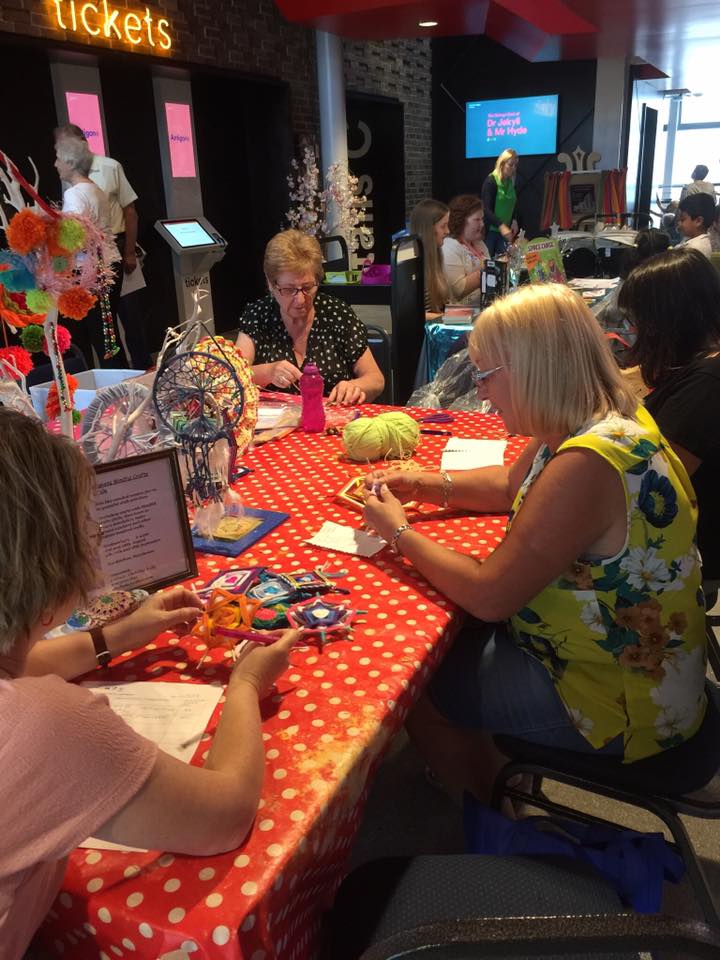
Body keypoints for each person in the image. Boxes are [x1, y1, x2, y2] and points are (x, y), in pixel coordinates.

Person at [363, 283, 707, 803]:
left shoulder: (588, 463)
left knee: (416, 686)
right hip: (622, 663)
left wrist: (398, 531)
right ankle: (506, 767)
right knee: (450, 643)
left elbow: (489, 593)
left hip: (624, 697)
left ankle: (495, 815)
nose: (480, 391)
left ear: (532, 367)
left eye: (485, 375)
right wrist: (424, 482)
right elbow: (508, 485)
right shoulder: (596, 414)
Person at [0, 408, 298, 958]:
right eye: (86, 521)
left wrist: (122, 634)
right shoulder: (45, 721)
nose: (97, 534)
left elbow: (21, 665)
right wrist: (245, 683)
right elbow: (225, 815)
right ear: (48, 553)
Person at [618, 246, 720, 585]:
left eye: (638, 320)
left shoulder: (707, 383)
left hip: (681, 548)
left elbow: (653, 480)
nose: (633, 330)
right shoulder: (698, 361)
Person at [235, 230, 384, 404]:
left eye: (307, 288)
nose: (300, 300)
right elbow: (231, 377)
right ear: (270, 284)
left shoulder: (336, 314)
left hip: (333, 423)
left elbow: (376, 380)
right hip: (276, 426)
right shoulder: (258, 316)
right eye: (289, 290)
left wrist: (355, 386)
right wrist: (267, 372)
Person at [55, 123, 151, 369]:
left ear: (71, 159)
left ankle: (118, 387)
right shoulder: (93, 189)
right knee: (109, 336)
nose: (55, 164)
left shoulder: (78, 191)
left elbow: (73, 237)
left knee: (106, 334)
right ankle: (120, 382)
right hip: (108, 264)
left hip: (93, 268)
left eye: (58, 157)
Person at [442, 194, 490, 306]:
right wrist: (489, 271)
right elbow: (458, 290)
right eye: (477, 219)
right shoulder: (449, 247)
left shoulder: (479, 243)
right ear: (461, 220)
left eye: (482, 219)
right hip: (464, 314)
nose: (482, 224)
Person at [409, 198, 450, 315]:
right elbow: (413, 315)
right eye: (443, 226)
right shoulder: (412, 264)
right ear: (429, 229)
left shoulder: (436, 256)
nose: (448, 231)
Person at [481, 148, 520, 257]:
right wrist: (501, 226)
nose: (513, 168)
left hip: (505, 232)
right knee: (487, 262)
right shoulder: (491, 181)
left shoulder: (510, 182)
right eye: (510, 164)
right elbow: (486, 210)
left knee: (503, 262)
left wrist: (515, 220)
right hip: (490, 231)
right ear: (502, 163)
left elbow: (514, 203)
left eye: (515, 166)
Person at [676, 192, 715, 257]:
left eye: (682, 219)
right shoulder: (695, 240)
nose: (679, 223)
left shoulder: (693, 249)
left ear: (698, 221)